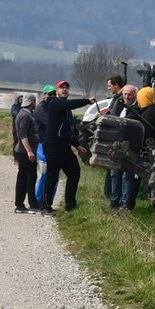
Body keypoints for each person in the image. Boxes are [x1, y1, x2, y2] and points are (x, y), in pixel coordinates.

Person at [40, 80, 94, 215]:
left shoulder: (67, 111)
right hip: (53, 146)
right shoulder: (54, 102)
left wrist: (77, 145)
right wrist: (87, 100)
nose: (64, 90)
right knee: (52, 176)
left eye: (67, 88)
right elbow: (71, 103)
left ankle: (70, 205)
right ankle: (46, 206)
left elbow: (68, 131)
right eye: (62, 88)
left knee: (74, 173)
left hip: (65, 147)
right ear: (57, 91)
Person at [13, 93, 42, 214]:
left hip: (22, 151)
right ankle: (32, 204)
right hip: (25, 152)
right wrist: (29, 151)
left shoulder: (23, 113)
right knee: (31, 177)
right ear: (32, 102)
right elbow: (23, 134)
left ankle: (20, 204)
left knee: (23, 177)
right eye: (34, 102)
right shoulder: (25, 116)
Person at [101, 73, 126, 209]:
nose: (109, 88)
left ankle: (115, 200)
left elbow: (114, 117)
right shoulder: (117, 98)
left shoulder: (120, 99)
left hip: (117, 138)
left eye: (110, 86)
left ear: (116, 85)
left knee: (116, 171)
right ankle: (115, 198)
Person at [34, 84, 57, 208]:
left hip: (53, 146)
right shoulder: (40, 108)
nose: (52, 96)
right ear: (44, 95)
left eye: (54, 94)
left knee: (54, 176)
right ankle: (39, 201)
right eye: (49, 94)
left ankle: (48, 202)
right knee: (44, 173)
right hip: (43, 145)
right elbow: (50, 123)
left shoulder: (52, 106)